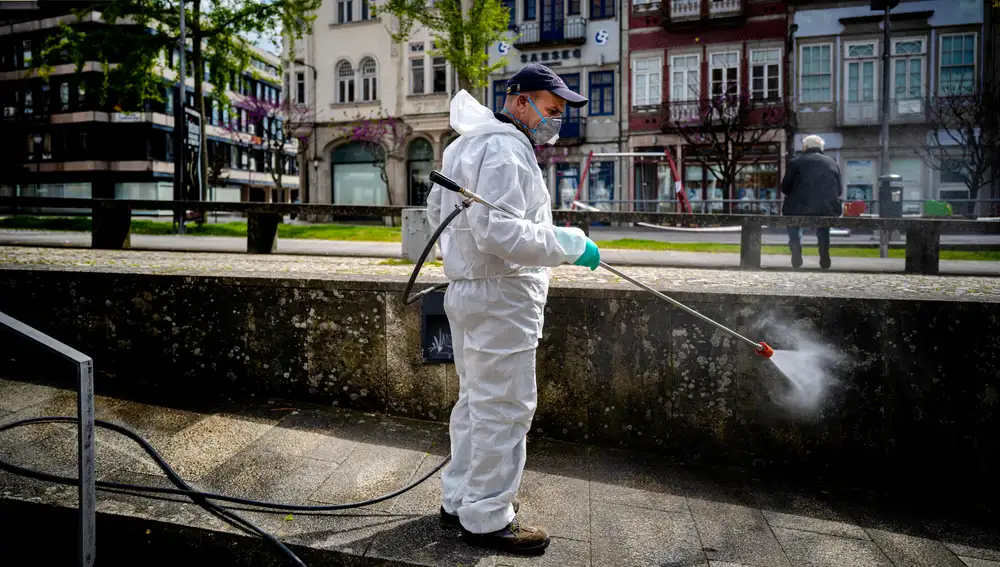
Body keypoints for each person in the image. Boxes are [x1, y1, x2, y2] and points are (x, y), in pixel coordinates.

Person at [425, 64, 599, 555]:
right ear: (519, 100)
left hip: (470, 293)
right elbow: (500, 234)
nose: (555, 120)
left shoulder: (467, 143)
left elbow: (440, 220)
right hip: (501, 297)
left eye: (560, 113)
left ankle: (458, 500)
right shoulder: (504, 148)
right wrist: (569, 243)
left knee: (477, 403)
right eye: (551, 109)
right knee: (505, 409)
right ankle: (486, 518)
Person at [779, 134, 843, 269]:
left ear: (805, 147)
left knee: (793, 221)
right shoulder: (832, 162)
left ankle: (796, 248)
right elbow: (839, 190)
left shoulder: (795, 162)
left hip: (798, 208)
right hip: (826, 208)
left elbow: (785, 187)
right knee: (824, 224)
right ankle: (824, 252)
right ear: (821, 148)